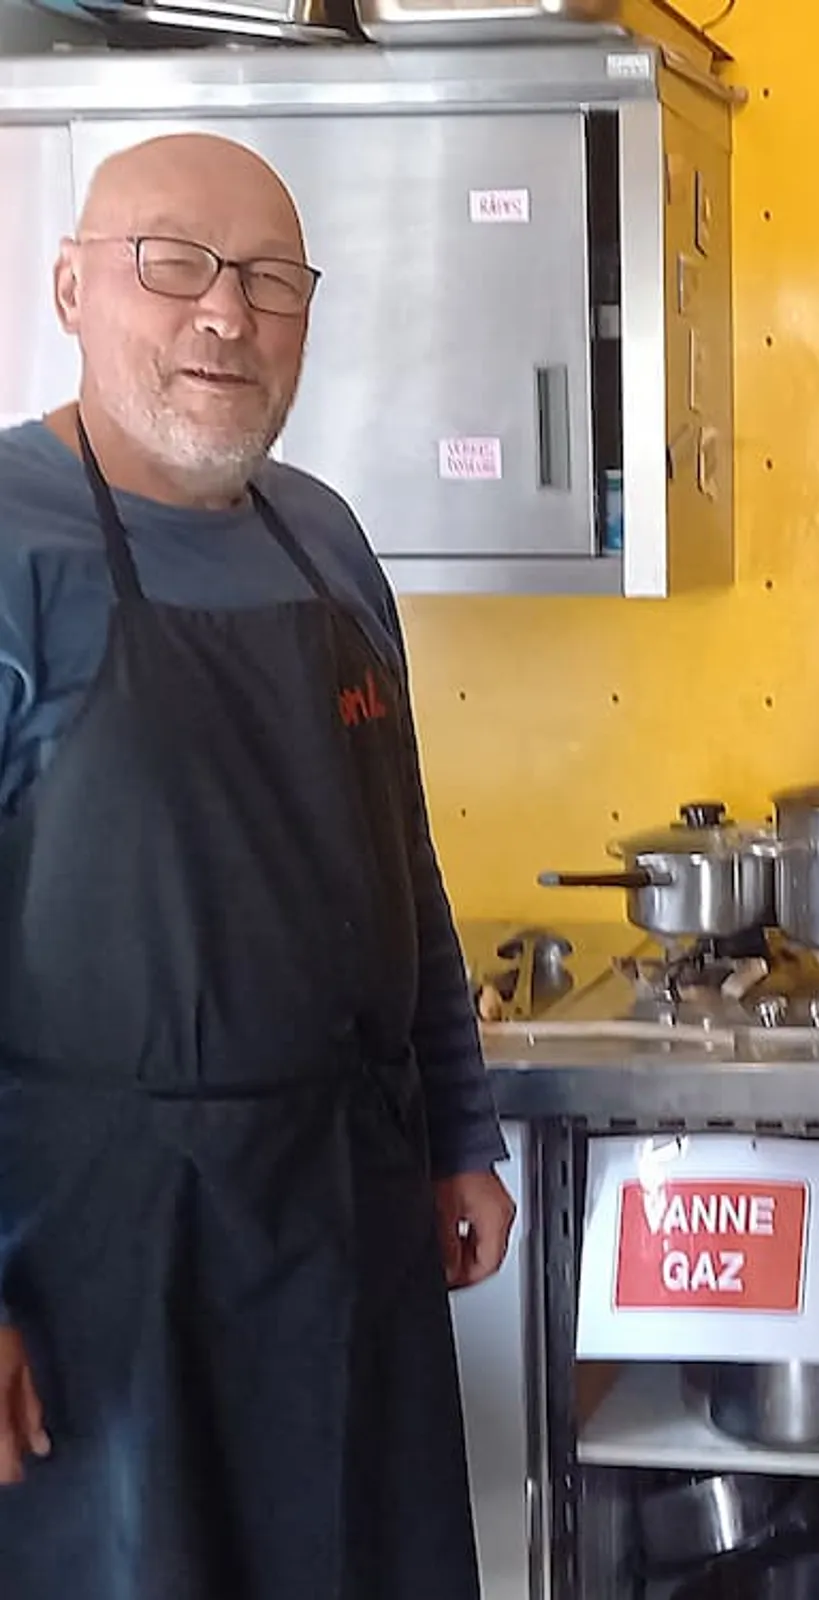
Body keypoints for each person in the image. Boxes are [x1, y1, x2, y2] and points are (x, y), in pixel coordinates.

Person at [0, 133, 516, 1598]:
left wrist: (458, 1131)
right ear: (70, 287)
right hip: (106, 1258)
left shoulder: (326, 538)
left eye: (270, 280)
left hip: (347, 1215)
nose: (225, 315)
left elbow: (398, 869)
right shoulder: (9, 542)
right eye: (173, 265)